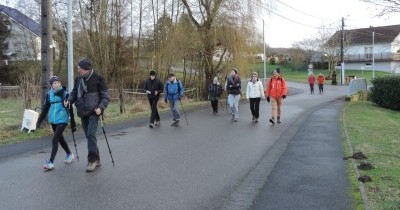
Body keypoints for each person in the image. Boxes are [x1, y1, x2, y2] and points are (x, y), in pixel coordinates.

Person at [65, 58, 110, 172]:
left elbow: (106, 96)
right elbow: (74, 93)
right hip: (82, 112)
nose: (78, 70)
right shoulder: (79, 79)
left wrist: (101, 107)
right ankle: (97, 159)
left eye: (79, 68)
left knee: (90, 134)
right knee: (90, 136)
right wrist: (69, 100)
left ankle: (92, 160)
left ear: (85, 69)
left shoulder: (98, 79)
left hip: (94, 111)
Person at [36, 76, 74, 170]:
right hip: (53, 120)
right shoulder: (49, 94)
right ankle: (69, 154)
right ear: (51, 85)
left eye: (58, 82)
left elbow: (70, 108)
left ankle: (51, 162)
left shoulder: (64, 93)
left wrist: (73, 123)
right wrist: (38, 122)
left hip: (62, 119)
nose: (57, 84)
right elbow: (45, 109)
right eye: (55, 83)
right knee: (60, 139)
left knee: (54, 139)